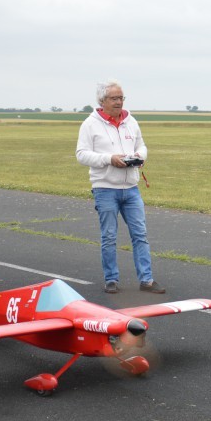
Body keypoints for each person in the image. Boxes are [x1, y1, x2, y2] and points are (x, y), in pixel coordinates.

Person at [76, 80, 165, 295]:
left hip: (131, 188)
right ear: (102, 101)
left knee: (140, 234)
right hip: (105, 188)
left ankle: (147, 279)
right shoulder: (90, 124)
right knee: (109, 236)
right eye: (114, 98)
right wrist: (109, 159)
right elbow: (81, 154)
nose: (119, 102)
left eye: (121, 98)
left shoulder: (131, 121)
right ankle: (111, 279)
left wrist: (139, 156)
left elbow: (141, 145)